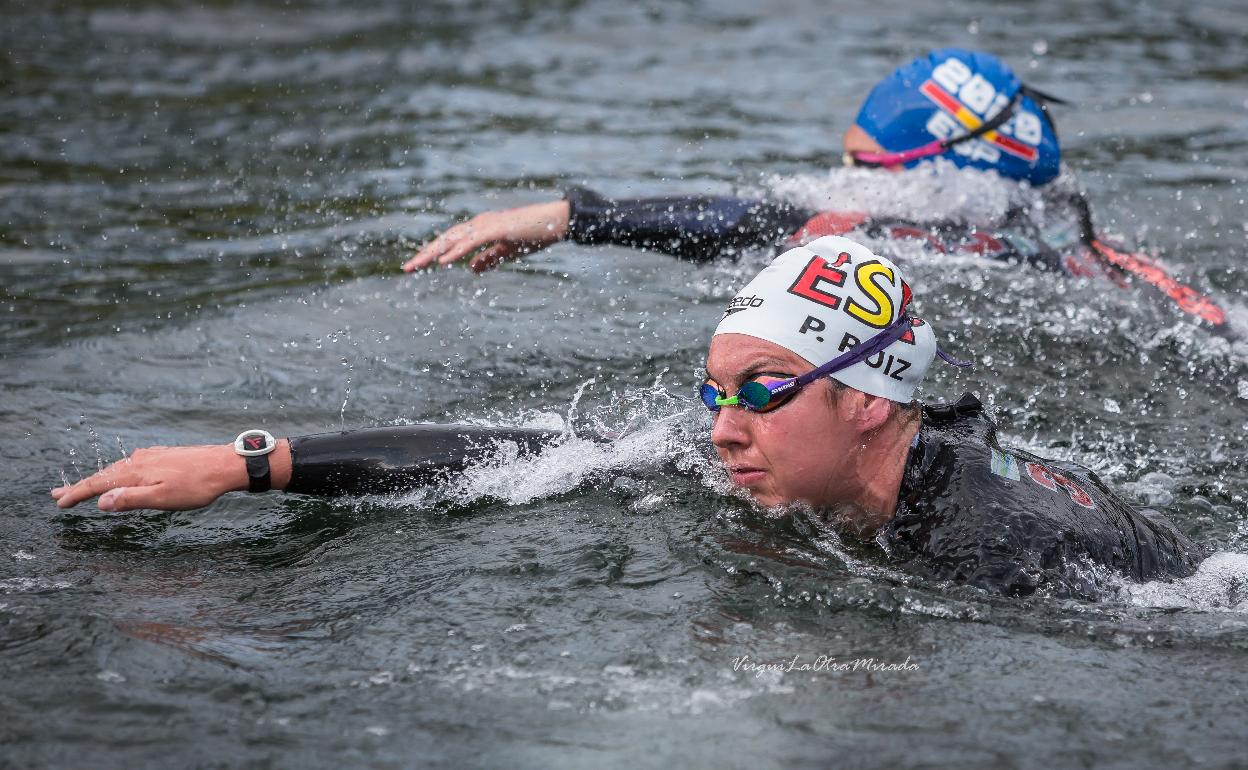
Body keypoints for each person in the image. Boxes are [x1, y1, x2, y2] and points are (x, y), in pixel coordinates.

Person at [51, 235, 1204, 600]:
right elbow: (527, 458)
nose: (718, 426)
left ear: (863, 403)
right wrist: (256, 462)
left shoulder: (998, 546)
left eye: (758, 390)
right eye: (715, 390)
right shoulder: (770, 461)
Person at [401, 48, 1227, 328]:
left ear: (951, 171)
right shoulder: (1075, 235)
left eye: (868, 173)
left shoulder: (955, 231)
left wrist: (572, 218)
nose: (849, 186)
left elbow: (754, 220)